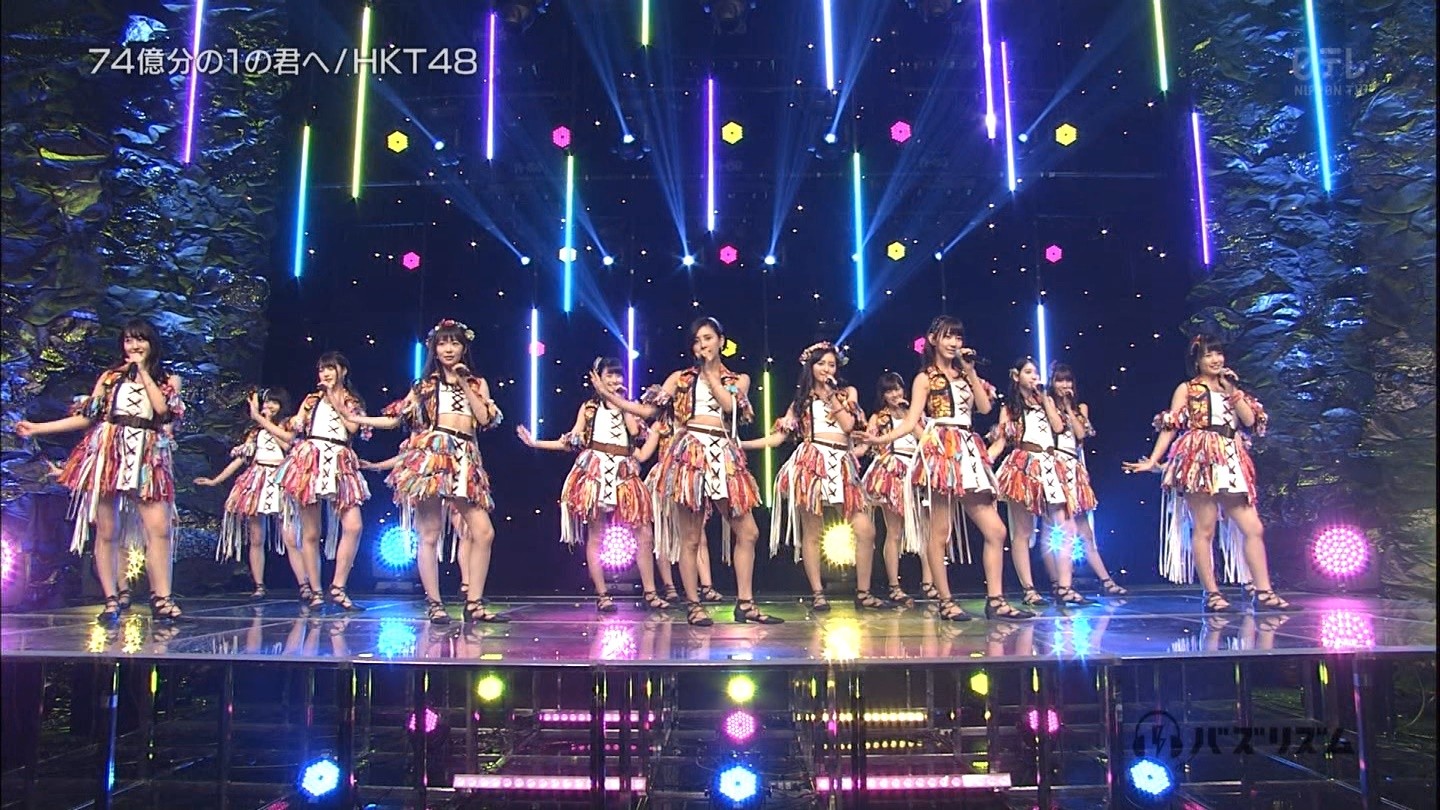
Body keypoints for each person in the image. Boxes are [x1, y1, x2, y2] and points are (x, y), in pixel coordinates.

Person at [590, 317, 782, 626]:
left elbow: (729, 407)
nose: (702, 345)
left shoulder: (737, 379)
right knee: (691, 538)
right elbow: (648, 410)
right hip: (690, 455)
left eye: (708, 338)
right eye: (697, 341)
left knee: (748, 532)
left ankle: (745, 603)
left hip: (724, 455)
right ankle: (694, 605)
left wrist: (711, 374)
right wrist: (610, 396)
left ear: (721, 341)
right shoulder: (680, 378)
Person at [17, 319, 186, 622]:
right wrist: (38, 428)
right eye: (128, 340)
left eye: (140, 340)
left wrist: (143, 372)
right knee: (107, 529)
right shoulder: (110, 378)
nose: (134, 346)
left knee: (159, 528)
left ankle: (161, 598)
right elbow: (88, 418)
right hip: (110, 452)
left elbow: (163, 411)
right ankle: (111, 598)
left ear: (152, 344)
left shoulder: (168, 379)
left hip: (147, 454)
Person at [865, 316, 1033, 621]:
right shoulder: (924, 378)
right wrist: (879, 439)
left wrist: (970, 371)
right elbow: (911, 421)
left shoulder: (965, 374)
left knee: (996, 530)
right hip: (941, 448)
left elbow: (984, 408)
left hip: (968, 448)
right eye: (948, 336)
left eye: (958, 337)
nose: (954, 343)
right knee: (940, 531)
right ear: (933, 340)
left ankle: (995, 600)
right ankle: (945, 600)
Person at [348, 319, 508, 623]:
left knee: (484, 531)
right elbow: (396, 419)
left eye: (455, 343)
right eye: (442, 343)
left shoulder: (477, 383)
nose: (448, 349)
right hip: (432, 456)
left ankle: (474, 602)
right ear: (434, 348)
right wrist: (357, 419)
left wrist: (464, 383)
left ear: (464, 348)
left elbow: (485, 418)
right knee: (429, 532)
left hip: (464, 457)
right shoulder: (424, 385)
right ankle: (434, 602)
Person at [1123, 334, 1296, 612]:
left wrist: (1232, 390)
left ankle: (1263, 592)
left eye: (1218, 354)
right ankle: (1212, 594)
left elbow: (1249, 420)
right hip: (1200, 455)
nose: (1215, 359)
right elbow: (1171, 425)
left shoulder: (1231, 387)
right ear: (1197, 361)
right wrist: (1153, 460)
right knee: (1205, 528)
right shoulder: (1188, 389)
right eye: (1208, 355)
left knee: (1253, 528)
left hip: (1230, 457)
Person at [517, 357, 670, 612]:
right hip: (596, 471)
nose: (615, 380)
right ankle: (602, 594)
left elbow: (634, 433)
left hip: (624, 472)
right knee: (596, 533)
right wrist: (536, 443)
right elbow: (571, 441)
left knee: (644, 532)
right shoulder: (588, 408)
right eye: (609, 375)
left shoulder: (630, 406)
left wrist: (622, 403)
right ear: (597, 378)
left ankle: (650, 593)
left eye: (618, 375)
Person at [744, 342, 888, 611]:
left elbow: (849, 425)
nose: (826, 369)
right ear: (810, 367)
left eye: (831, 364)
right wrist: (742, 444)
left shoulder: (847, 394)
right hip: (812, 464)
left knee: (865, 530)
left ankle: (863, 592)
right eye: (821, 363)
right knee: (812, 531)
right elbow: (777, 438)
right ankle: (818, 593)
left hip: (842, 464)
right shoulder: (801, 402)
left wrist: (831, 396)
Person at [269, 351, 371, 612]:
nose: (325, 374)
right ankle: (315, 590)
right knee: (311, 532)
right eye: (321, 369)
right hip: (311, 460)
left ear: (342, 371)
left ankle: (338, 586)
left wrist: (336, 399)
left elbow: (353, 428)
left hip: (340, 460)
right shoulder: (312, 400)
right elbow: (295, 429)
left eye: (330, 368)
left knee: (354, 526)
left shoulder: (352, 400)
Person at [987, 357, 1090, 608]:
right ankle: (1029, 589)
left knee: (1066, 526)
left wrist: (1045, 399)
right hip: (1024, 464)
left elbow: (1058, 426)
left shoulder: (1047, 400)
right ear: (1016, 376)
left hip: (1050, 464)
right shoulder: (1010, 407)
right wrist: (985, 461)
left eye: (1036, 372)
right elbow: (1001, 441)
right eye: (1028, 372)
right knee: (1023, 531)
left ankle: (1064, 587)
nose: (1034, 376)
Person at [195, 389, 308, 598]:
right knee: (256, 537)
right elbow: (241, 460)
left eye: (274, 402)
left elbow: (288, 444)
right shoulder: (255, 432)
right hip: (258, 481)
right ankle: (259, 585)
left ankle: (305, 585)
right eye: (266, 402)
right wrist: (215, 480)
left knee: (291, 538)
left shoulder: (289, 424)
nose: (269, 406)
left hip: (281, 480)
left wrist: (265, 421)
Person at [860, 372, 937, 606]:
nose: (895, 394)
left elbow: (927, 440)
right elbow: (866, 444)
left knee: (926, 530)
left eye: (898, 389)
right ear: (883, 395)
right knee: (894, 532)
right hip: (892, 472)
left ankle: (928, 583)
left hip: (917, 471)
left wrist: (909, 416)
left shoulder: (915, 414)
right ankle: (894, 586)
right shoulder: (878, 418)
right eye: (889, 390)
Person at [1048, 363, 1126, 595]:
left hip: (1074, 468)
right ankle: (1060, 583)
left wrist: (1068, 408)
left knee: (1086, 532)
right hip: (1054, 466)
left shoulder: (1080, 408)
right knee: (1060, 530)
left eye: (1068, 380)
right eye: (1059, 380)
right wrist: (1056, 407)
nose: (1064, 385)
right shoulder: (1047, 404)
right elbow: (1056, 429)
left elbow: (1081, 434)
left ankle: (1105, 580)